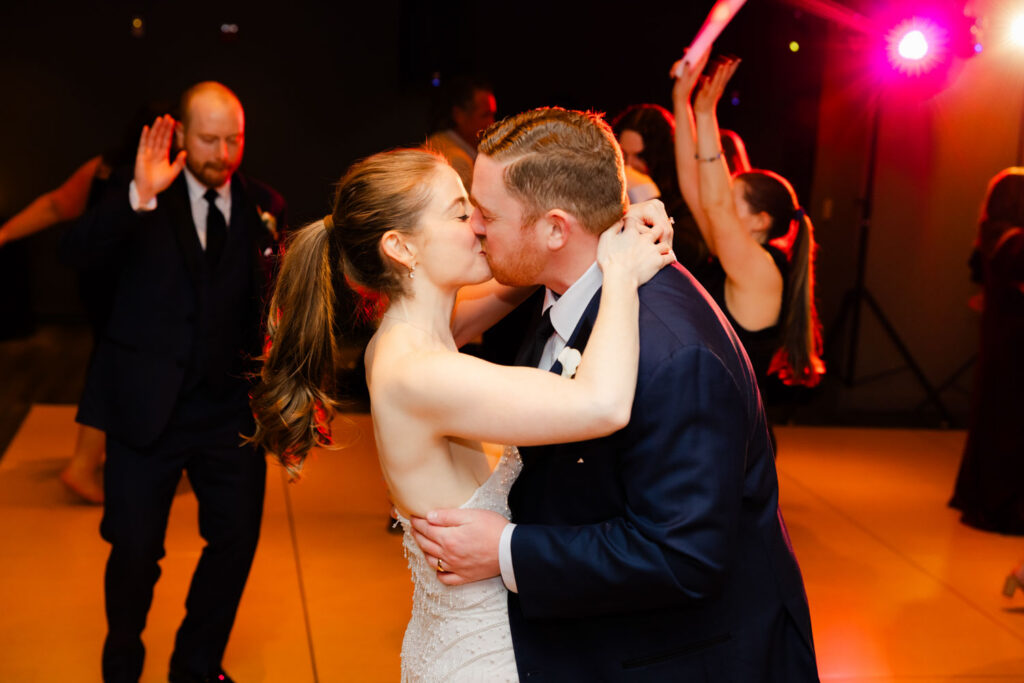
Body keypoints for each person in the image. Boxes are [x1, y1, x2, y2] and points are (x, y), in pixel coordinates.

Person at [411, 107, 819, 680]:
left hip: (681, 659)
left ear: (556, 228)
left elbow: (683, 556)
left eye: (486, 214)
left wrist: (506, 550)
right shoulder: (560, 286)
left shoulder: (677, 355)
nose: (474, 227)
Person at [250, 147, 674, 680]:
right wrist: (619, 270)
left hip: (490, 635)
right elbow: (603, 404)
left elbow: (517, 275)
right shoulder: (416, 372)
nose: (479, 224)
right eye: (460, 212)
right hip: (485, 654)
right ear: (401, 247)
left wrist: (615, 214)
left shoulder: (418, 332)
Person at [62, 82, 286, 683]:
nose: (223, 152)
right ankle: (122, 660)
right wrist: (139, 195)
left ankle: (196, 663)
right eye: (209, 139)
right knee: (135, 551)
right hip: (145, 409)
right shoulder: (135, 196)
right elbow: (77, 254)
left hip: (229, 416)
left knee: (235, 543)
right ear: (181, 135)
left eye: (234, 139)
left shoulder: (264, 205)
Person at [673, 54, 824, 391]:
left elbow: (714, 203)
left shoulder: (761, 269)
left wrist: (705, 112)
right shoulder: (733, 257)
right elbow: (691, 182)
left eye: (732, 197)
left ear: (760, 221)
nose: (721, 201)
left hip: (733, 431)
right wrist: (681, 100)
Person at [950, 167, 1024, 535]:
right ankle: (998, 501)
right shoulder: (1013, 240)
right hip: (1013, 345)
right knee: (1007, 425)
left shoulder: (994, 234)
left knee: (995, 420)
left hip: (1002, 341)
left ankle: (979, 491)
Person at [425, 77, 497, 192]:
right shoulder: (458, 161)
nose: (492, 123)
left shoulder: (435, 140)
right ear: (459, 115)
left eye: (493, 115)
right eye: (485, 115)